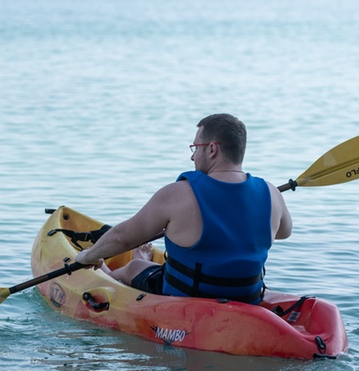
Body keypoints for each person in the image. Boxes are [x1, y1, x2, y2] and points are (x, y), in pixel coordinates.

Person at [74, 113, 292, 304]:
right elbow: (284, 232)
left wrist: (89, 255)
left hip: (186, 299)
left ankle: (104, 269)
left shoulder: (178, 194)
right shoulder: (271, 193)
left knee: (134, 268)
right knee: (144, 262)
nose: (192, 156)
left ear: (212, 149)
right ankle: (141, 258)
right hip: (246, 298)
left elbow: (123, 238)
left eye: (195, 148)